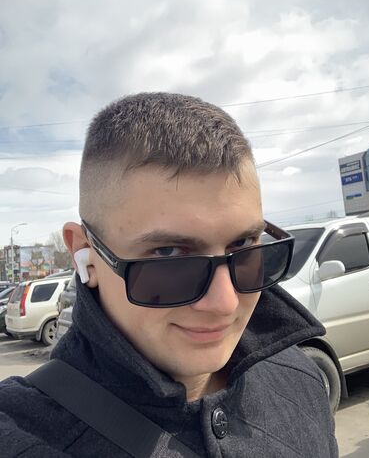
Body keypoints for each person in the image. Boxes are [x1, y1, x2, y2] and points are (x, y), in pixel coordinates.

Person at [0, 93, 338, 457]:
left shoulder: (300, 377)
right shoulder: (22, 433)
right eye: (168, 255)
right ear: (86, 253)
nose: (225, 304)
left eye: (243, 244)